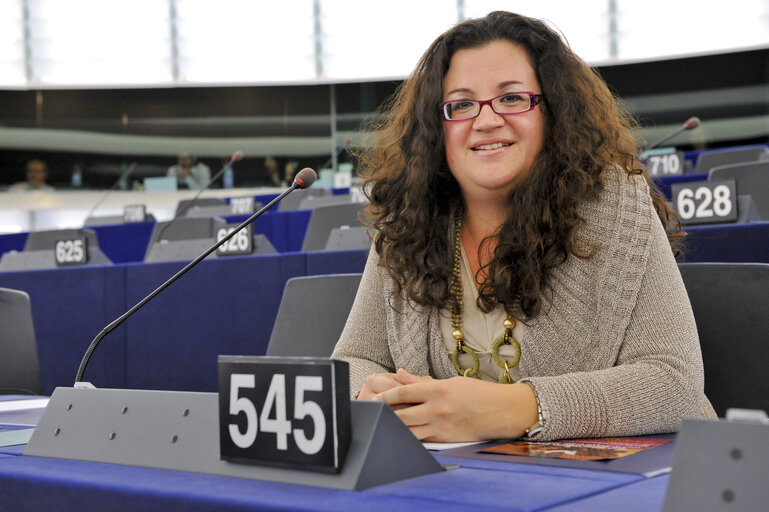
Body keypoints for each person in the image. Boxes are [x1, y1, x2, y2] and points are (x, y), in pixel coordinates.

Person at [331, 11, 715, 443]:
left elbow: (673, 383)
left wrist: (509, 409)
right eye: (461, 104)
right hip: (462, 482)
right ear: (436, 130)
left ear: (551, 112)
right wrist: (374, 395)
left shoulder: (615, 206)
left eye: (512, 98)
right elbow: (353, 361)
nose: (487, 119)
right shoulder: (406, 220)